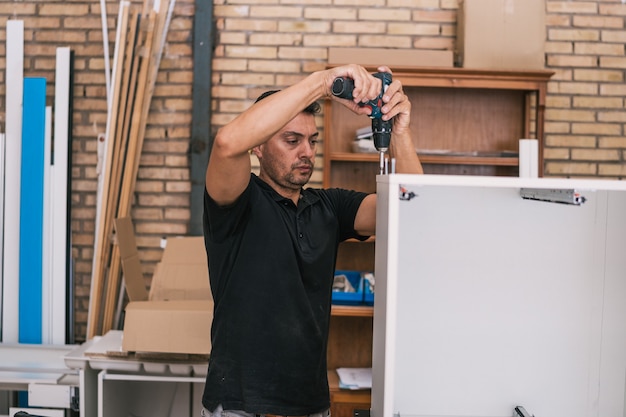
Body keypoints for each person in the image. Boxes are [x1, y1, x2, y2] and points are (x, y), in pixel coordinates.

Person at [201, 64, 423, 417]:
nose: (307, 151)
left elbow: (412, 211)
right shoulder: (237, 204)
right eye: (292, 140)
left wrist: (400, 133)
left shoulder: (329, 207)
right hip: (242, 406)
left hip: (311, 405)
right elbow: (227, 143)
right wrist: (323, 83)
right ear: (258, 146)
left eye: (312, 140)